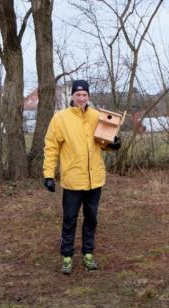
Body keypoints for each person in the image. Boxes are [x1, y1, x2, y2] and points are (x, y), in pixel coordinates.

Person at [42, 80, 121, 274]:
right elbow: (51, 147)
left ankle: (88, 254)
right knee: (69, 219)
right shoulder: (60, 119)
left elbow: (103, 142)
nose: (81, 98)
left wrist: (113, 144)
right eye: (78, 95)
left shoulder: (97, 116)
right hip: (73, 181)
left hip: (95, 180)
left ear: (88, 96)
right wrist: (48, 174)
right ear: (72, 96)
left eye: (84, 95)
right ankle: (67, 257)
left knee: (91, 219)